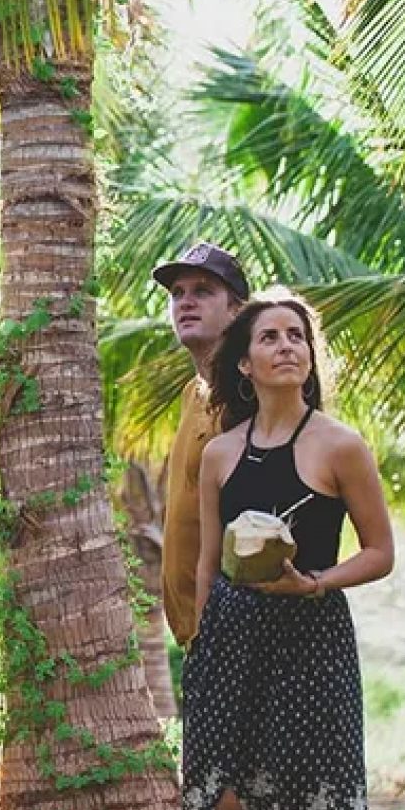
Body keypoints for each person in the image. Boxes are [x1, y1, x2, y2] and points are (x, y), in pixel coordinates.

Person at [143, 297, 394, 810]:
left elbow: (380, 552)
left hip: (312, 642)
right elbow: (205, 567)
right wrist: (197, 645)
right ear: (245, 365)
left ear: (309, 358)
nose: (287, 346)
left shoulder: (341, 445)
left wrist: (316, 582)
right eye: (270, 338)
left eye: (298, 336)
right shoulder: (220, 452)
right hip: (229, 642)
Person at [151, 241, 250, 649]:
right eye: (178, 293)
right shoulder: (194, 393)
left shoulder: (248, 398)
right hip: (197, 635)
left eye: (204, 291)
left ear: (237, 311)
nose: (186, 303)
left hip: (238, 632)